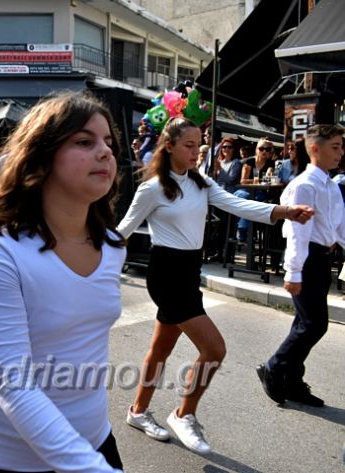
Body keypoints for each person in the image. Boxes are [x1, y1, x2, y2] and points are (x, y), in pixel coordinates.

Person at [117, 117, 313, 455]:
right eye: (189, 146)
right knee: (215, 349)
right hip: (166, 274)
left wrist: (284, 211)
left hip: (189, 272)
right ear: (170, 147)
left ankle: (137, 411)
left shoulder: (202, 182)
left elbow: (238, 205)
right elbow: (122, 230)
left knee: (160, 350)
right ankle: (184, 414)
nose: (196, 152)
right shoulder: (152, 188)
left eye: (198, 144)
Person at [0, 93, 125, 473]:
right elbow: (13, 383)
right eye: (84, 142)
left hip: (94, 440)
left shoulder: (113, 246)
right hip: (4, 458)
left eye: (108, 143)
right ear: (41, 156)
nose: (105, 152)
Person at [257, 124, 345, 408]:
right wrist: (293, 271)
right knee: (313, 324)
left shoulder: (331, 185)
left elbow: (339, 227)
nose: (341, 152)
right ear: (315, 149)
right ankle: (274, 367)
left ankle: (292, 380)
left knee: (305, 322)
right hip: (306, 259)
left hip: (321, 260)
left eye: (342, 147)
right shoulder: (304, 186)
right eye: (335, 147)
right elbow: (297, 232)